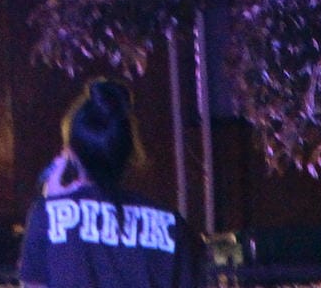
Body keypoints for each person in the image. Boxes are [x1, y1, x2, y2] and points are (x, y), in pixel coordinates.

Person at [19, 80, 204, 288]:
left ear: (71, 155)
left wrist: (53, 205)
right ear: (129, 153)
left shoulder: (46, 215)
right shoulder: (172, 224)